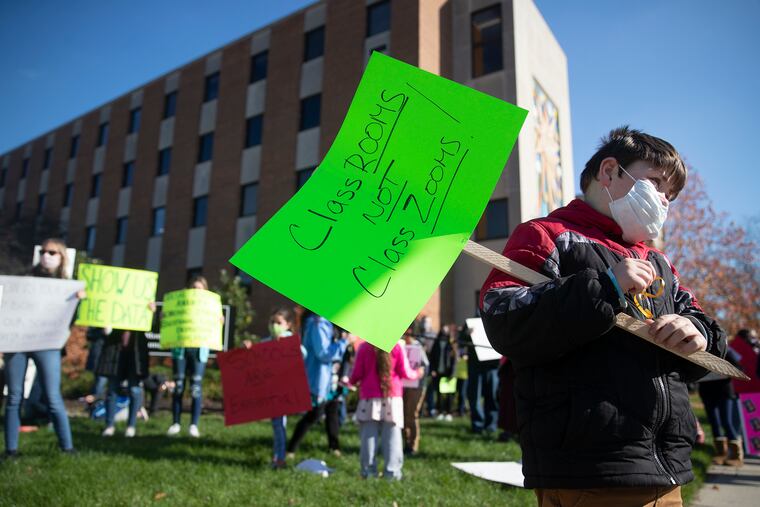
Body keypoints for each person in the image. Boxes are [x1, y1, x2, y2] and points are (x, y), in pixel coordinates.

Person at [480, 127, 727, 505]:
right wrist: (606, 287)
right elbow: (503, 315)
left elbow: (698, 319)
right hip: (588, 469)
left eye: (670, 196)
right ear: (609, 172)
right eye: (657, 183)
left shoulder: (657, 261)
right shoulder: (547, 236)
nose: (663, 201)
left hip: (666, 470)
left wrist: (697, 333)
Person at [3, 238, 81, 456]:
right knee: (14, 397)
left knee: (53, 397)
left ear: (62, 258)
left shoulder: (69, 287)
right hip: (17, 342)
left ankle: (67, 447)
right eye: (44, 251)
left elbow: (70, 320)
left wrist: (77, 302)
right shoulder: (23, 280)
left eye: (53, 252)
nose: (47, 255)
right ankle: (11, 449)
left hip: (47, 344)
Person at [349, 340, 422, 480]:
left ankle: (368, 472)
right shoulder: (397, 346)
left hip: (369, 397)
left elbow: (356, 374)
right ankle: (392, 472)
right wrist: (417, 373)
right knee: (393, 438)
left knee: (368, 438)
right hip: (392, 396)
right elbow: (405, 372)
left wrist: (350, 380)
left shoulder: (364, 347)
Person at [286, 311, 347, 457]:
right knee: (315, 413)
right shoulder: (317, 324)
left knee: (332, 410)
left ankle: (334, 447)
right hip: (320, 378)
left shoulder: (327, 323)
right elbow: (323, 353)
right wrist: (345, 342)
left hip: (331, 377)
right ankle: (291, 448)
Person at [166, 275, 216, 438]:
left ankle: (193, 425)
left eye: (200, 289)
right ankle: (176, 423)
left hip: (199, 350)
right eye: (193, 288)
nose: (196, 291)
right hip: (181, 348)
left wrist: (218, 321)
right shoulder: (181, 305)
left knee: (196, 388)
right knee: (178, 387)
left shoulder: (211, 308)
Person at [260, 307, 298, 469]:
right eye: (273, 322)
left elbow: (302, 354)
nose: (274, 325)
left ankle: (279, 458)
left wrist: (285, 343)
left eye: (279, 323)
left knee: (278, 424)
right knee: (276, 425)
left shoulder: (290, 340)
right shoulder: (267, 341)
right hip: (270, 389)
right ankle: (278, 456)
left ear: (288, 325)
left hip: (283, 391)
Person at [97, 326, 151, 437]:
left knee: (134, 391)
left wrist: (153, 313)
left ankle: (131, 426)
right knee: (112, 390)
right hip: (115, 351)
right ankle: (109, 425)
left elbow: (154, 325)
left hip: (136, 354)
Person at [697, 347, 744, 466]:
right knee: (714, 422)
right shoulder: (699, 350)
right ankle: (721, 454)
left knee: (726, 421)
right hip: (707, 391)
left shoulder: (726, 350)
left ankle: (736, 455)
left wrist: (724, 371)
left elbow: (739, 368)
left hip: (724, 392)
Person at [401, 326, 429, 455]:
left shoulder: (418, 346)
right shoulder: (399, 345)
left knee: (412, 414)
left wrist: (419, 372)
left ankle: (413, 445)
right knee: (403, 415)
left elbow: (425, 366)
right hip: (403, 385)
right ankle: (405, 442)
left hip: (416, 386)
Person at [428, 325, 456, 421]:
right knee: (438, 394)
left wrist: (452, 373)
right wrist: (432, 370)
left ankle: (448, 412)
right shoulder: (436, 343)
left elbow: (454, 360)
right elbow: (432, 358)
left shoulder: (451, 345)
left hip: (448, 373)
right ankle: (439, 411)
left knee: (448, 394)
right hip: (437, 372)